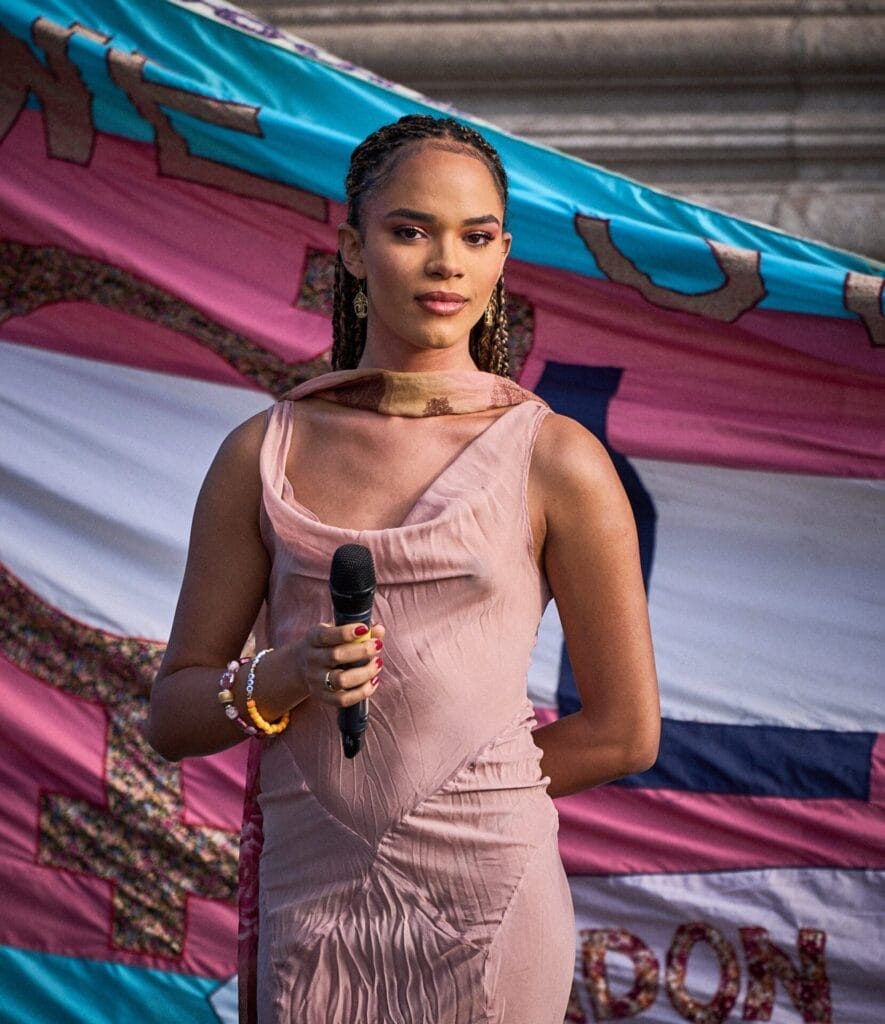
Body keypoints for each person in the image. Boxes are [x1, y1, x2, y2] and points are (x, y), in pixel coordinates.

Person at [148, 114, 660, 1024]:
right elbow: (173, 714)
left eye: (473, 237)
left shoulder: (556, 458)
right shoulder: (260, 451)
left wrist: (452, 797)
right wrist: (282, 677)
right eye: (409, 230)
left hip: (488, 895)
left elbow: (625, 733)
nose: (444, 263)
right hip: (312, 892)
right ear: (351, 248)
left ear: (503, 255)